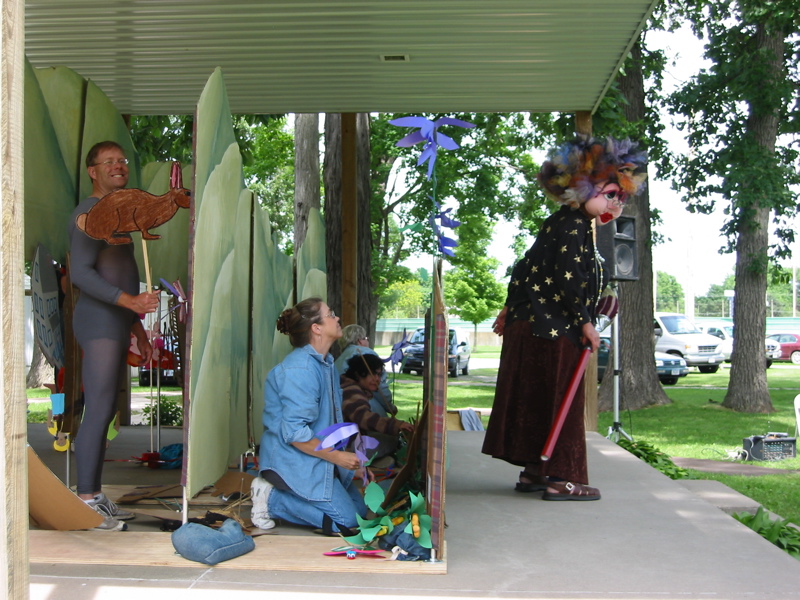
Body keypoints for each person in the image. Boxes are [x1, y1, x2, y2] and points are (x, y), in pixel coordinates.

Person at [481, 136, 647, 501]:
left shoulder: (558, 224)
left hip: (535, 326)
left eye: (620, 196)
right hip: (554, 330)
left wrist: (511, 308)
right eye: (609, 193)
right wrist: (587, 323)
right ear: (581, 186)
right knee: (563, 404)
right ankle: (561, 478)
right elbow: (566, 277)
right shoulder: (574, 227)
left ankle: (534, 472)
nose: (616, 203)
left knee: (541, 399)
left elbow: (524, 268)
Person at [68, 141, 161, 529]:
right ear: (93, 171)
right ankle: (85, 498)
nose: (118, 166)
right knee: (100, 407)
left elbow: (119, 273)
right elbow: (82, 274)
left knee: (106, 410)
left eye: (122, 161)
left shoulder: (120, 215)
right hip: (97, 320)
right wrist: (130, 302)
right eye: (109, 162)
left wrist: (136, 324)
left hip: (118, 321)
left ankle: (96, 494)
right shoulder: (89, 213)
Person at [253, 298, 370, 534]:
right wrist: (338, 458)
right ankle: (270, 498)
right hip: (291, 461)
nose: (337, 318)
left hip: (315, 457)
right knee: (347, 524)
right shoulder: (301, 370)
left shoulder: (325, 364)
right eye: (331, 314)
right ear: (316, 328)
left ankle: (296, 498)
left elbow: (326, 424)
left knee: (361, 513)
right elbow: (295, 434)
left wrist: (349, 464)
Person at [340, 353, 414, 460]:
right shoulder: (351, 391)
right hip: (345, 448)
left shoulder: (351, 386)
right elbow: (364, 418)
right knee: (391, 440)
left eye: (379, 375)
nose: (377, 379)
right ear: (358, 374)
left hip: (347, 443)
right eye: (373, 374)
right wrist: (397, 425)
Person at [334, 324, 393, 408]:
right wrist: (389, 406)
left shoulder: (339, 360)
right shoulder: (366, 354)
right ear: (360, 341)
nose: (367, 341)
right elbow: (379, 385)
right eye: (366, 338)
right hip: (364, 404)